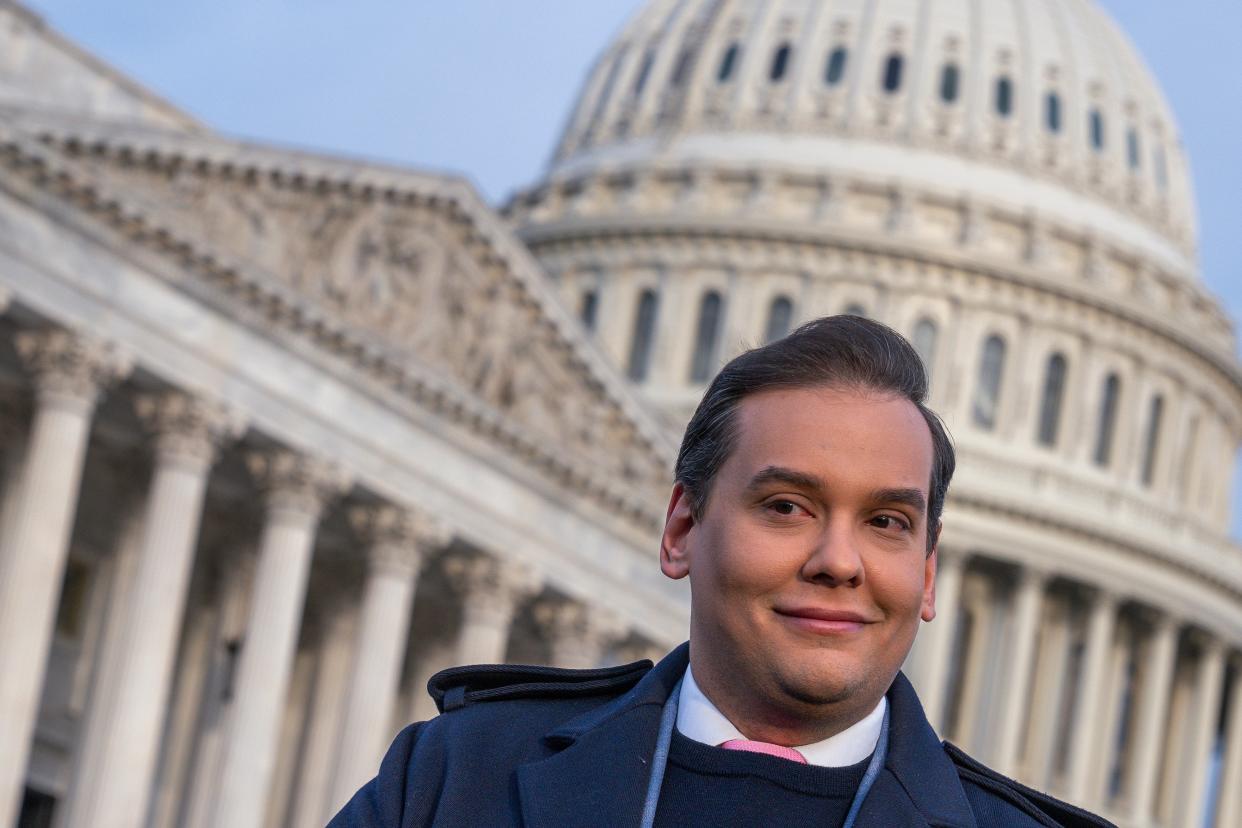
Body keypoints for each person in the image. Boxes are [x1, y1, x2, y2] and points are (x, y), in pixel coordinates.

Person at [329, 315, 1112, 827]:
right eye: (786, 507)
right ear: (681, 529)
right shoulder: (456, 779)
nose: (839, 562)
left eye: (886, 523)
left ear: (929, 575)